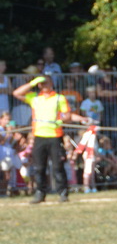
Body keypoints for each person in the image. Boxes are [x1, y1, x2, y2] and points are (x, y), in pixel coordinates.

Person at [10, 73, 81, 203]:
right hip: (39, 136)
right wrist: (32, 83)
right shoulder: (35, 98)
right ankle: (40, 193)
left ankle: (63, 192)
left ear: (52, 83)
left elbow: (68, 115)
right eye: (42, 83)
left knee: (57, 166)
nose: (44, 85)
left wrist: (61, 119)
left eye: (46, 82)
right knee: (39, 167)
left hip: (54, 136)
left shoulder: (59, 98)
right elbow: (16, 93)